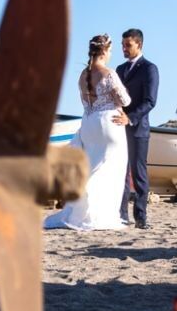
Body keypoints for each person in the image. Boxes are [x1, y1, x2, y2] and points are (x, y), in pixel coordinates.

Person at [45, 34, 130, 231]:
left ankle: (82, 210)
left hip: (88, 123)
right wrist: (117, 103)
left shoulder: (83, 75)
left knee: (93, 165)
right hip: (109, 123)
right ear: (105, 51)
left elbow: (86, 102)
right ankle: (99, 213)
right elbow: (125, 100)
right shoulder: (108, 74)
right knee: (109, 169)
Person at [115, 28, 158, 228]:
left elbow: (150, 101)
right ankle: (121, 215)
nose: (123, 48)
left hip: (138, 128)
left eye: (127, 45)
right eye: (122, 45)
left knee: (138, 173)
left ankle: (141, 218)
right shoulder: (119, 69)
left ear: (139, 45)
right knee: (120, 172)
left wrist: (130, 118)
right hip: (117, 128)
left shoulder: (150, 69)